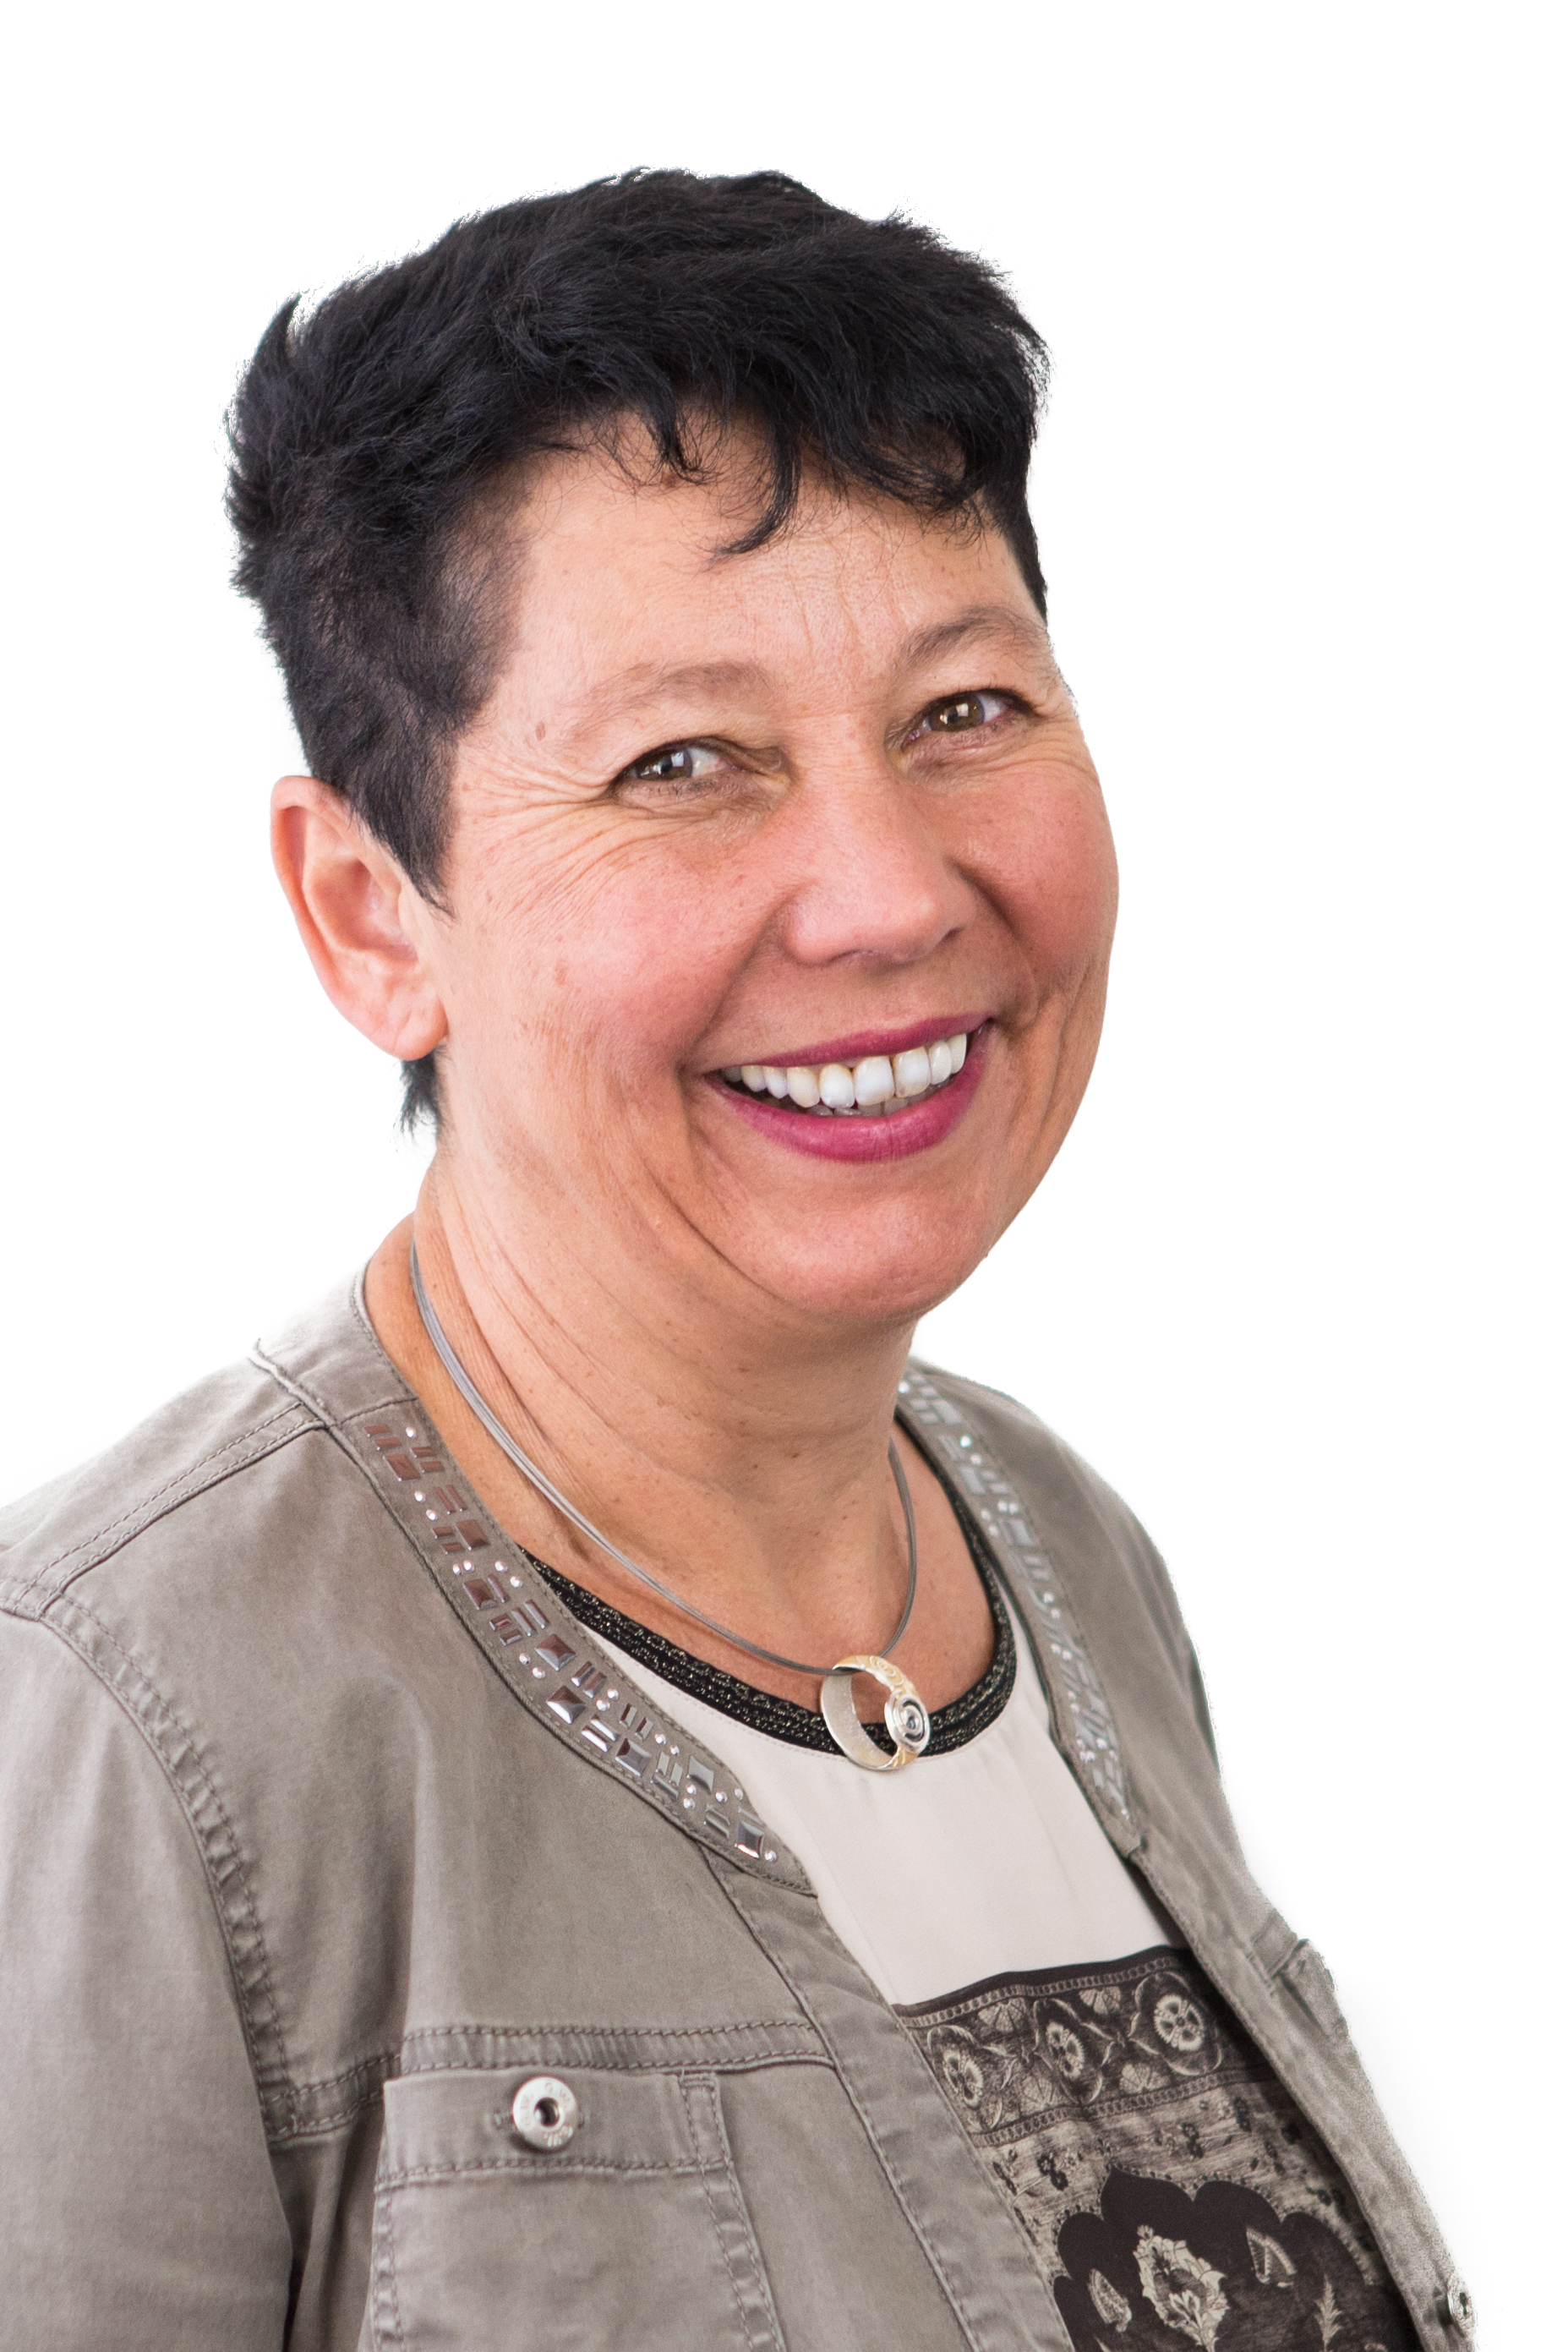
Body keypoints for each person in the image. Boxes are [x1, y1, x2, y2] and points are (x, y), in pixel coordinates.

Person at [0, 172, 1468, 2351]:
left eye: (965, 711)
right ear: (371, 914)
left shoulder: (1066, 1552)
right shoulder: (115, 1718)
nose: (889, 897)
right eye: (685, 762)